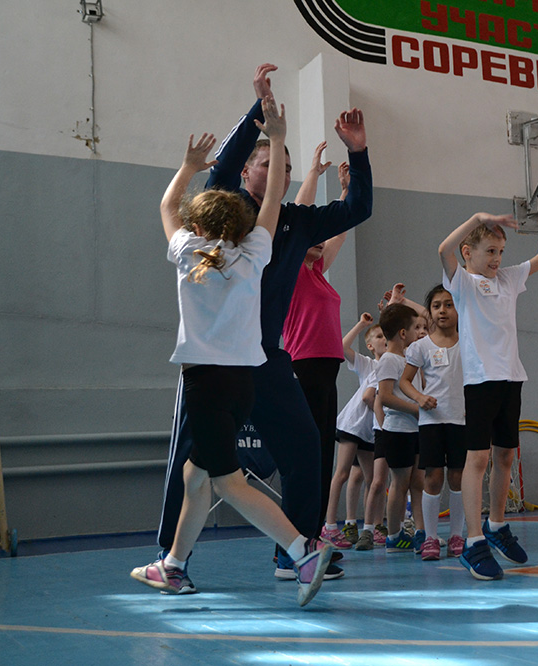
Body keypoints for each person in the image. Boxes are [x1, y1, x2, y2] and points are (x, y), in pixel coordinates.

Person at [156, 64, 373, 577]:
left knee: (304, 446)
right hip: (212, 363)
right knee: (190, 464)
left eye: (286, 163)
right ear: (246, 171)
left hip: (264, 358)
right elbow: (225, 170)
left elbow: (357, 207)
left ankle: (293, 553)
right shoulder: (222, 214)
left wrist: (359, 152)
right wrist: (260, 111)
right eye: (271, 161)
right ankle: (169, 556)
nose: (281, 169)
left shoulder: (292, 221)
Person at [132, 99, 334, 606]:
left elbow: (166, 206)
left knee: (227, 482)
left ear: (197, 226)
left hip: (206, 386)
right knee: (196, 474)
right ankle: (173, 566)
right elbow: (271, 206)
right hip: (245, 382)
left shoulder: (188, 254)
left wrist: (188, 167)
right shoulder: (254, 255)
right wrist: (280, 141)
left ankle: (302, 552)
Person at [439, 205, 538, 579]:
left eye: (501, 252)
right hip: (480, 380)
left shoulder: (507, 279)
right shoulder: (461, 283)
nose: (497, 259)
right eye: (490, 251)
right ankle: (474, 541)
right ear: (468, 252)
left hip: (510, 378)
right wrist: (477, 219)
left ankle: (497, 524)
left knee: (505, 455)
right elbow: (443, 249)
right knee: (478, 458)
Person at [284, 151, 352, 525]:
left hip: (328, 372)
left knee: (325, 454)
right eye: (313, 237)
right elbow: (299, 213)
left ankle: (315, 534)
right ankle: (294, 537)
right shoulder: (292, 271)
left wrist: (346, 193)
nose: (320, 242)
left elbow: (339, 231)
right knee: (308, 454)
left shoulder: (318, 273)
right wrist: (312, 173)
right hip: (305, 368)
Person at [399, 286, 468, 561]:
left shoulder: (469, 342)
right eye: (437, 305)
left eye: (449, 305)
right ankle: (429, 537)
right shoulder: (421, 347)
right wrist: (419, 398)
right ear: (429, 312)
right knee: (433, 477)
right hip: (432, 422)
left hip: (461, 420)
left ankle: (456, 536)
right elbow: (404, 381)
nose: (443, 310)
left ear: (458, 309)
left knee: (458, 477)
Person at [320, 313, 380, 549]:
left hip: (369, 431)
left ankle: (371, 528)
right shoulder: (368, 365)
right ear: (370, 345)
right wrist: (362, 325)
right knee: (342, 473)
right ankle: (329, 525)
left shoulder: (394, 366)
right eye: (378, 336)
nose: (384, 340)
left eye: (386, 336)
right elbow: (342, 347)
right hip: (352, 424)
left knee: (372, 479)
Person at [370, 304, 425, 553]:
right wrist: (415, 409)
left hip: (416, 430)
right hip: (398, 431)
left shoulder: (408, 360)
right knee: (400, 483)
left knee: (417, 482)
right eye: (415, 328)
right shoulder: (389, 360)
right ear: (403, 333)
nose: (418, 332)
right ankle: (393, 535)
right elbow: (385, 396)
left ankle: (419, 530)